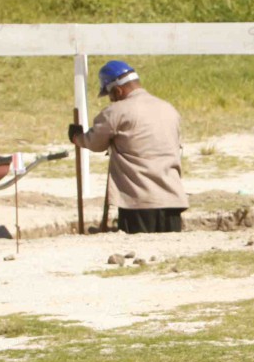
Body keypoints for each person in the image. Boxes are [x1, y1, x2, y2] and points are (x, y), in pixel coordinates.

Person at [68, 59, 188, 234]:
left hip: (138, 202)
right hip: (172, 199)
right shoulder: (168, 109)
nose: (110, 100)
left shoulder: (117, 111)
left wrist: (76, 137)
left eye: (110, 95)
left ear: (118, 90)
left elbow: (95, 142)